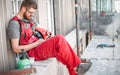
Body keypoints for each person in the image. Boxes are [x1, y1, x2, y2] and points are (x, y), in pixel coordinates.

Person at [7, 0, 91, 75]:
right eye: (31, 12)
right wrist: (37, 43)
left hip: (38, 46)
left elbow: (39, 28)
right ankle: (77, 66)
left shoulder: (29, 19)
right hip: (30, 53)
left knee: (61, 51)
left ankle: (75, 70)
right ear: (23, 9)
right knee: (59, 39)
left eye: (33, 13)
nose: (32, 15)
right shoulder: (14, 24)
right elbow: (15, 48)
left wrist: (46, 33)